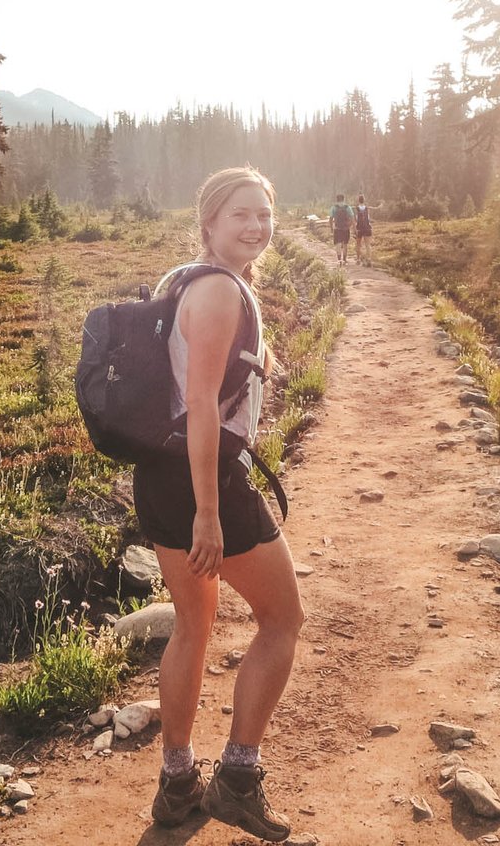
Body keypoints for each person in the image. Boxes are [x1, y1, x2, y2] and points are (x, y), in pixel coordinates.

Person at [139, 166, 302, 841]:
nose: (257, 226)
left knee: (193, 624)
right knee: (283, 619)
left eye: (264, 214)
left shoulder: (181, 278)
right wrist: (209, 510)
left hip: (161, 472)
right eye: (241, 214)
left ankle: (178, 785)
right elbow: (200, 404)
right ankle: (238, 778)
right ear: (208, 221)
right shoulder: (219, 293)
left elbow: (186, 381)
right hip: (201, 481)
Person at [327, 192, 353, 265]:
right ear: (343, 199)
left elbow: (330, 219)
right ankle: (344, 259)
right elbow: (352, 218)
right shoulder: (347, 207)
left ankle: (339, 260)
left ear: (337, 199)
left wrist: (331, 228)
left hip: (337, 228)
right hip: (345, 228)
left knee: (338, 244)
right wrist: (349, 225)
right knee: (345, 244)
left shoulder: (334, 207)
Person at [352, 194, 378, 265]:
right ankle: (369, 259)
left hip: (359, 228)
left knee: (358, 244)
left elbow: (355, 219)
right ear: (364, 200)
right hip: (367, 228)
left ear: (358, 200)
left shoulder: (356, 208)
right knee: (368, 245)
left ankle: (358, 259)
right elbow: (375, 210)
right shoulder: (367, 208)